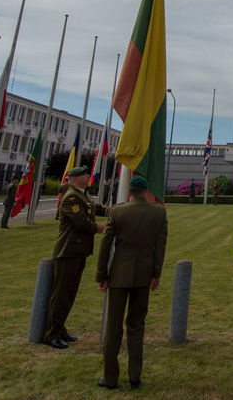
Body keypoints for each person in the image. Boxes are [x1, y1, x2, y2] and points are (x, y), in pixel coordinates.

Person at [96, 175, 167, 389]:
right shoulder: (158, 212)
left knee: (114, 327)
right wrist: (156, 274)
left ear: (130, 192)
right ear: (146, 191)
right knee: (137, 325)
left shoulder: (117, 211)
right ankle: (135, 375)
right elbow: (160, 247)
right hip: (144, 275)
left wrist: (102, 275)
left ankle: (110, 378)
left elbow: (106, 245)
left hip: (119, 274)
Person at [44, 166, 104, 349]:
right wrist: (100, 228)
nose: (87, 177)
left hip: (79, 252)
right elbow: (82, 223)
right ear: (73, 179)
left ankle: (60, 327)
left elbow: (97, 209)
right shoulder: (71, 197)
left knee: (70, 294)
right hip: (68, 252)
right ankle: (51, 334)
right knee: (60, 295)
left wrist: (122, 210)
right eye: (84, 175)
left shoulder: (83, 196)